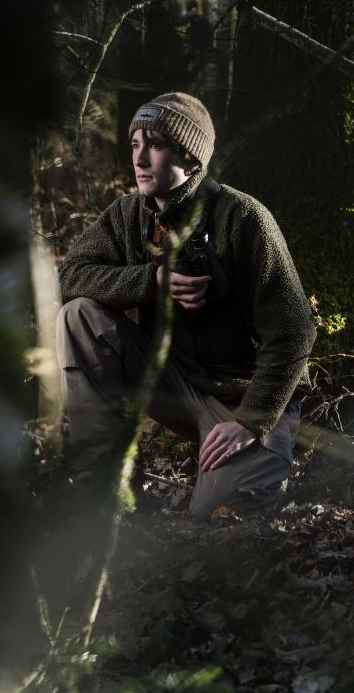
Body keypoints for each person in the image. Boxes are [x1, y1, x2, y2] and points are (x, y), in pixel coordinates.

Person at [56, 92, 316, 517]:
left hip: (245, 399)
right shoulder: (127, 216)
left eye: (156, 145)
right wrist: (151, 280)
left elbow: (294, 331)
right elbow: (70, 277)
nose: (139, 159)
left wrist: (251, 420)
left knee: (217, 522)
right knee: (78, 316)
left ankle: (251, 466)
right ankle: (104, 492)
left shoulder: (243, 217)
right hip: (176, 383)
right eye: (135, 144)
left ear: (192, 160)